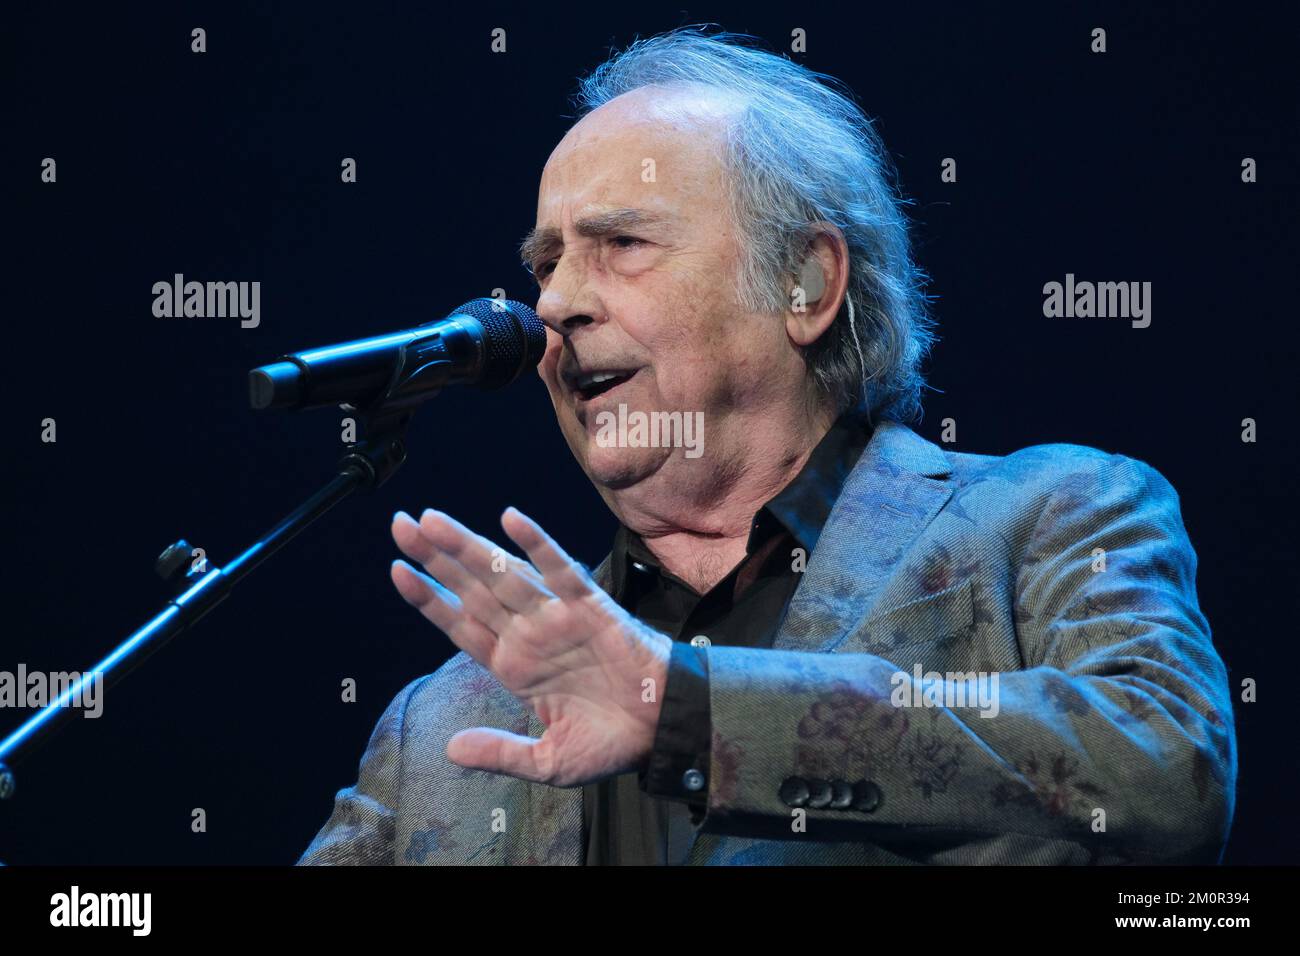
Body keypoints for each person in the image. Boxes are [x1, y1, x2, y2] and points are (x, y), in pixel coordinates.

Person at [298, 28, 1235, 865]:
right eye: (545, 264)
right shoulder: (445, 721)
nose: (552, 305)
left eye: (621, 243)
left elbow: (1165, 764)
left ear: (806, 285)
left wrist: (689, 711)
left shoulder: (1049, 519)